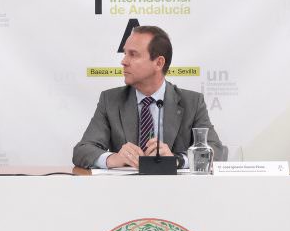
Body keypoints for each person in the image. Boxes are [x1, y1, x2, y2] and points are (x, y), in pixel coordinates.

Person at [73, 25, 224, 169]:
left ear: (158, 63)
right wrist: (112, 158)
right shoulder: (110, 100)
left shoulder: (192, 102)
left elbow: (215, 151)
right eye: (125, 54)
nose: (123, 61)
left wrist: (176, 160)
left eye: (133, 54)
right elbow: (82, 150)